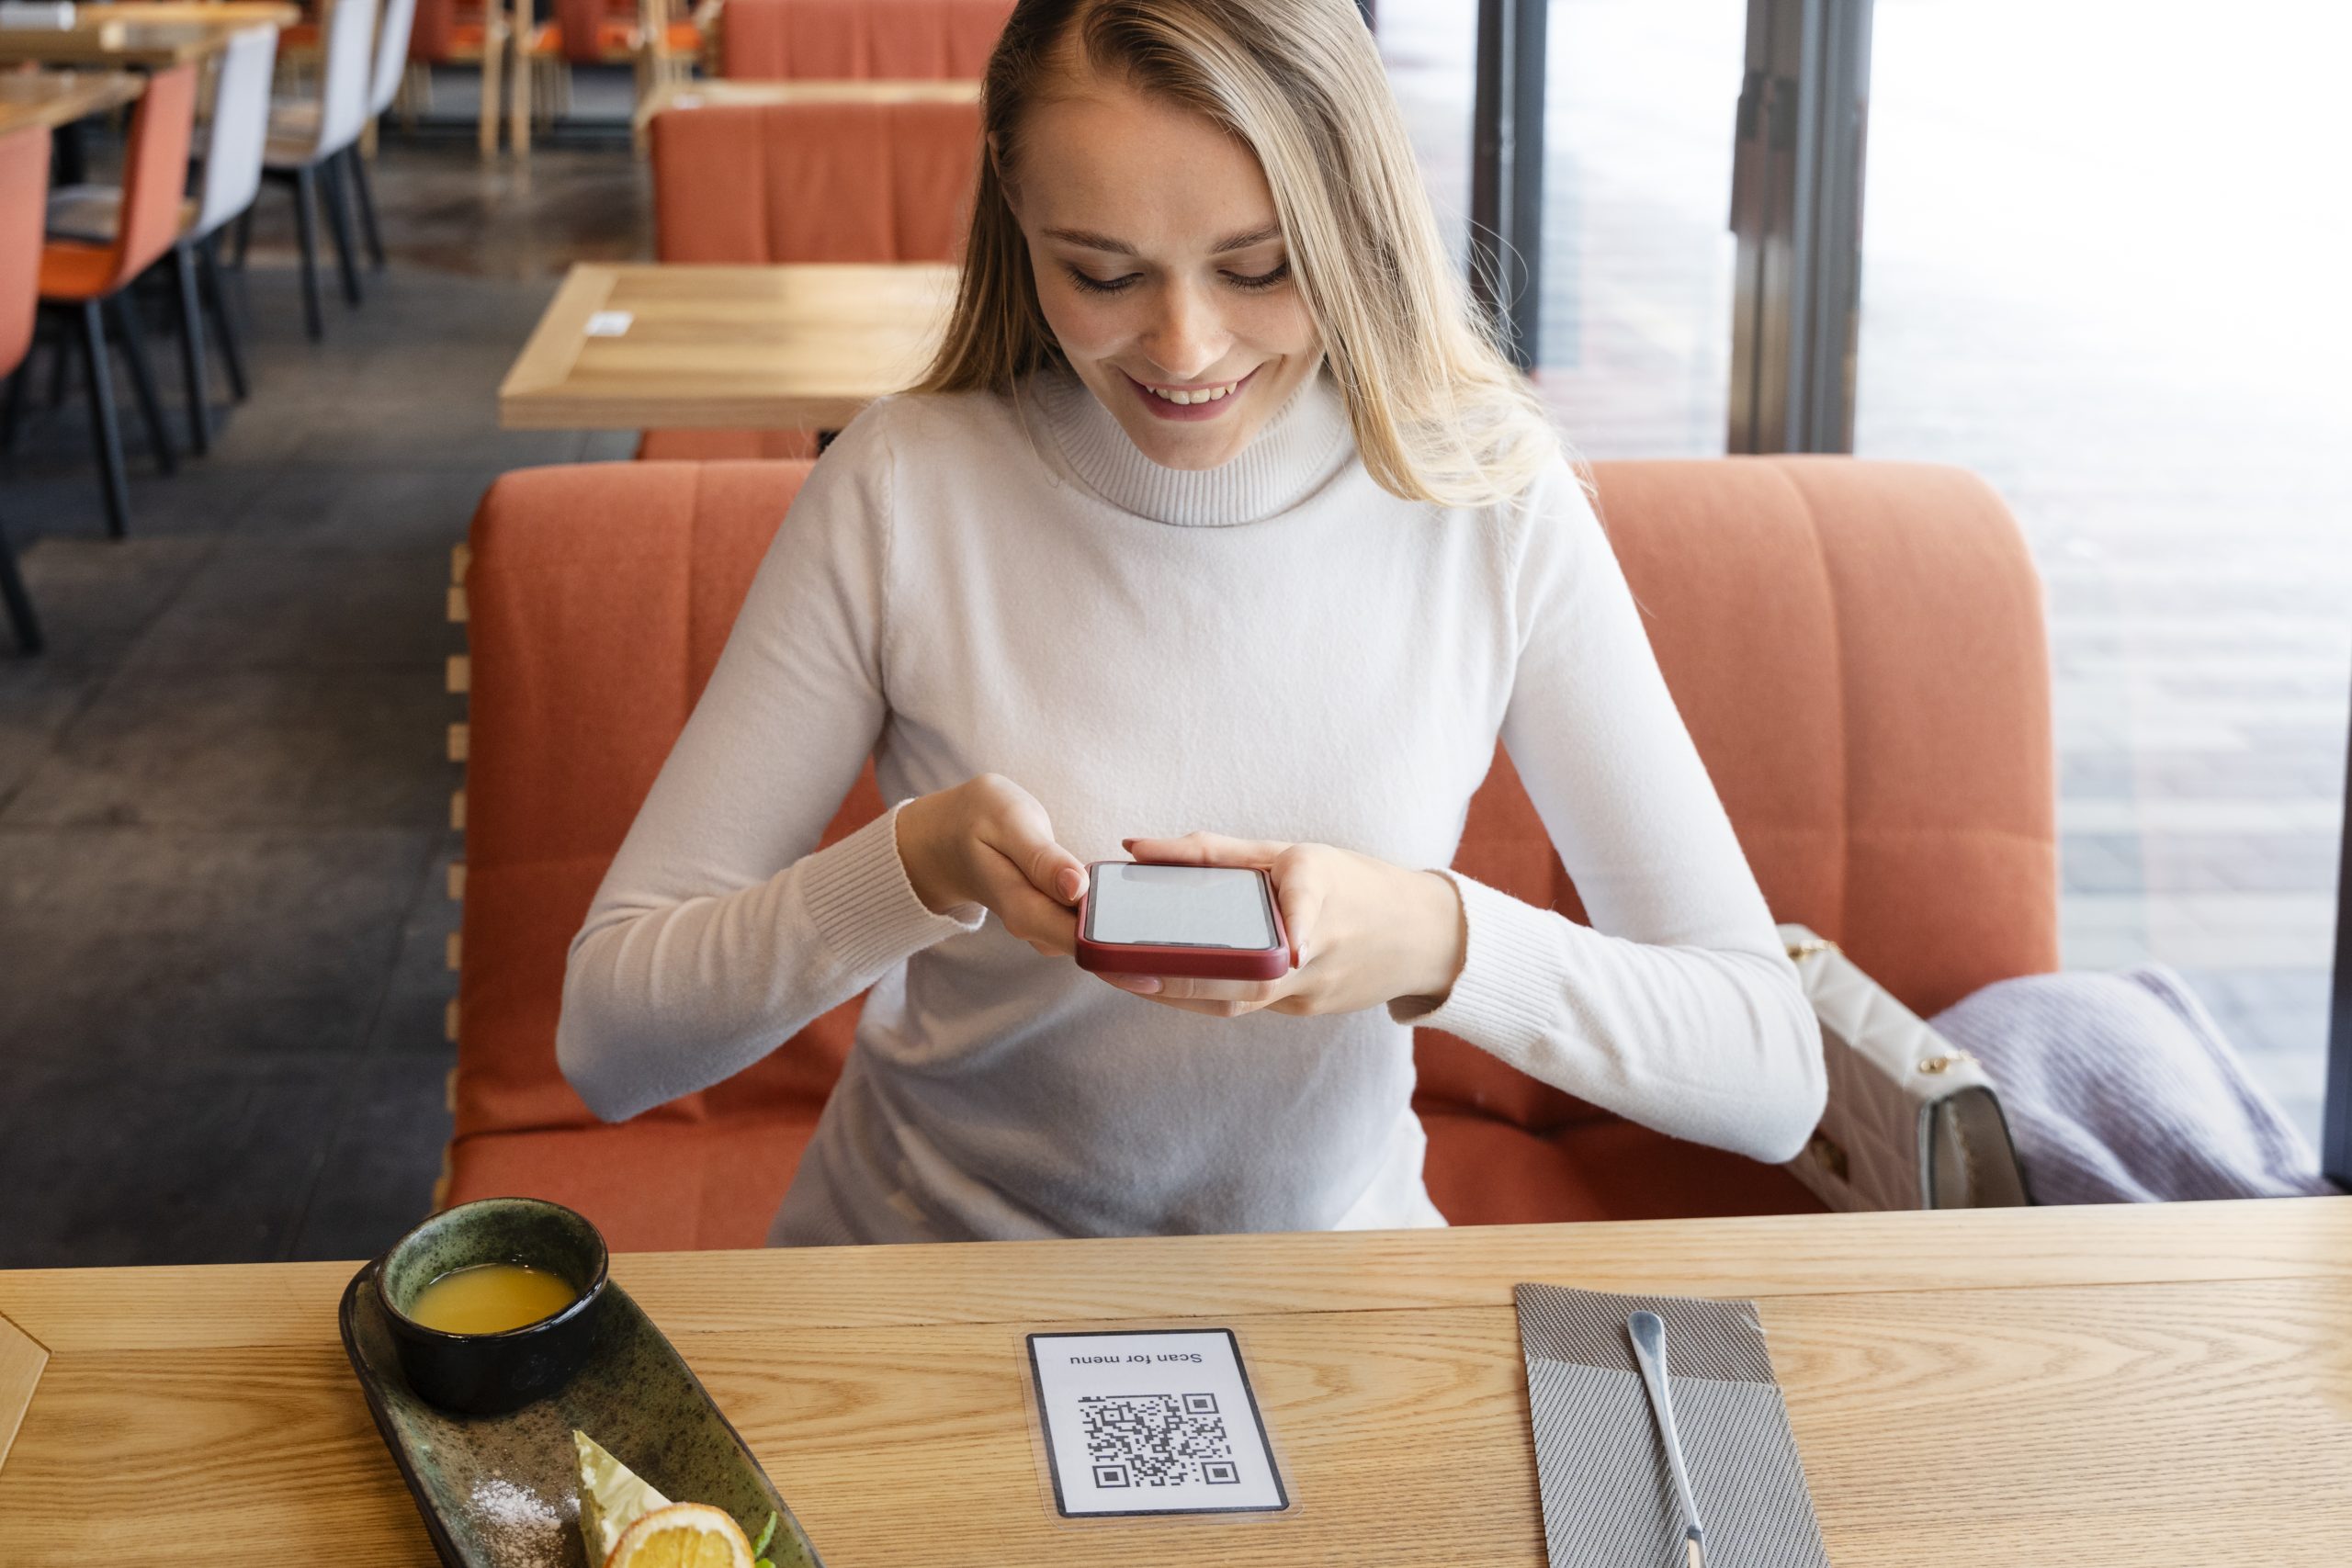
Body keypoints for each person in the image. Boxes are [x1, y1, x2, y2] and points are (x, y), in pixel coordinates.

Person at [556, 0, 1825, 1246]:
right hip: (926, 1280)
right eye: (1100, 270)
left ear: (1354, 221)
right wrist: (908, 872)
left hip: (1319, 1291)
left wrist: (1436, 938)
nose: (1183, 348)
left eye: (1260, 267)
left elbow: (1771, 1072)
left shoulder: (1488, 501)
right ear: (1013, 200)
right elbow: (609, 1040)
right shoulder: (905, 486)